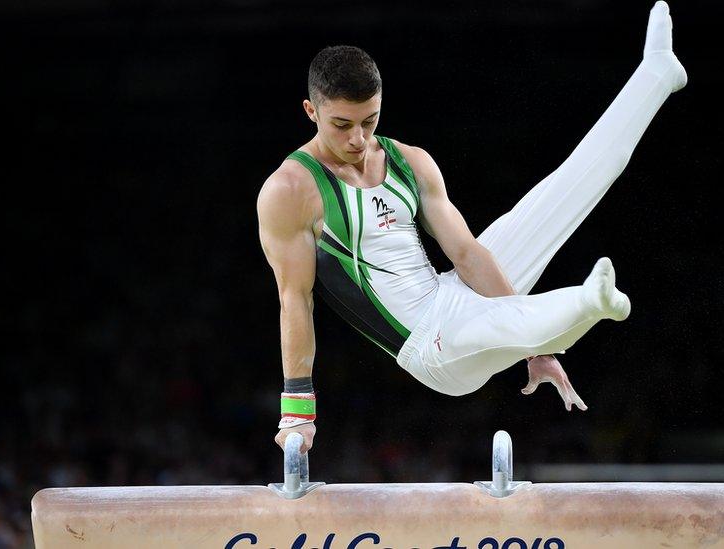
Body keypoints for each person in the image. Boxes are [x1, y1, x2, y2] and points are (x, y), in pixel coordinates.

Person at [258, 1, 687, 453]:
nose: (358, 139)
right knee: (495, 323)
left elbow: (464, 252)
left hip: (452, 295)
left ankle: (656, 74)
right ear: (310, 110)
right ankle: (588, 302)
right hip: (431, 348)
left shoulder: (410, 161)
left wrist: (536, 352)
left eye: (370, 120)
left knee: (562, 189)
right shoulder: (291, 189)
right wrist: (298, 411)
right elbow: (295, 299)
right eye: (341, 125)